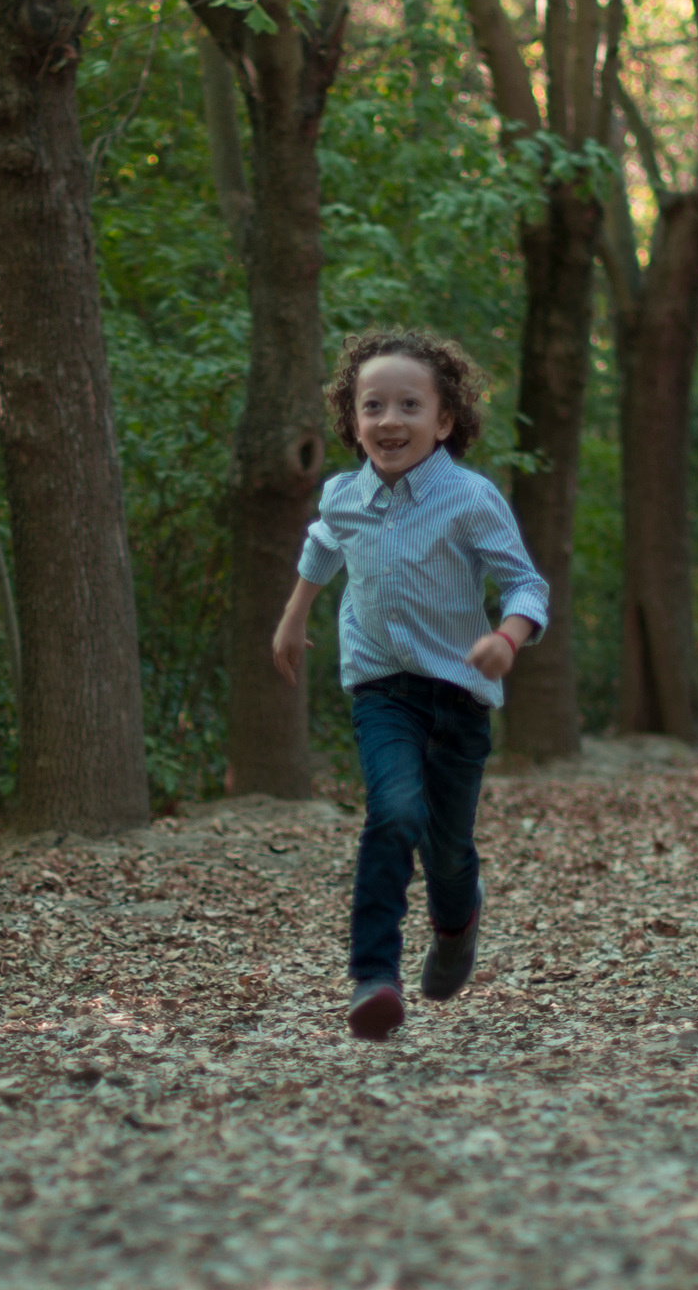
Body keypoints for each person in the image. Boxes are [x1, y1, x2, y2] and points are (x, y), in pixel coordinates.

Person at [271, 328, 547, 1041]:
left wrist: (506, 638)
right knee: (392, 814)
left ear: (444, 419)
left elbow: (525, 584)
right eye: (372, 407)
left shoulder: (468, 497)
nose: (389, 421)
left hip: (458, 693)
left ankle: (457, 920)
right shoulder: (344, 495)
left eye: (409, 406)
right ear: (352, 420)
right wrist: (294, 615)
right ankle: (374, 978)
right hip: (381, 690)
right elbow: (324, 543)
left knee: (446, 847)